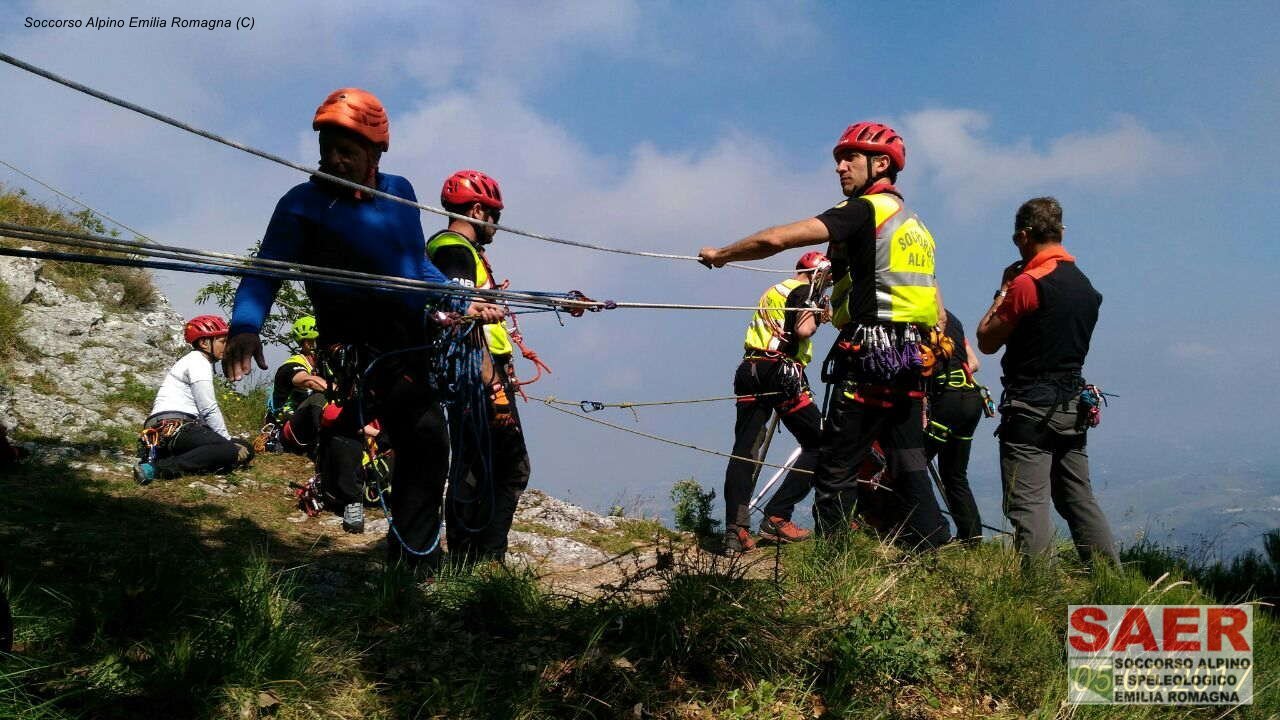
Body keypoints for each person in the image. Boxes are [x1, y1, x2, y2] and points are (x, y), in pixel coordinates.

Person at [223, 88, 503, 566]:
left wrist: (462, 300)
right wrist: (246, 325)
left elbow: (415, 266)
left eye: (347, 151)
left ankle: (413, 555)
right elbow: (266, 269)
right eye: (327, 149)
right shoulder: (302, 204)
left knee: (428, 445)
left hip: (410, 339)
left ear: (375, 153)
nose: (334, 159)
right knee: (423, 436)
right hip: (359, 347)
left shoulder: (399, 193)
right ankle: (414, 561)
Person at [699, 121, 950, 550]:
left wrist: (721, 255)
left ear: (881, 163)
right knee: (908, 459)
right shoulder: (916, 228)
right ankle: (932, 546)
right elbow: (937, 308)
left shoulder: (866, 211)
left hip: (869, 356)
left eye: (849, 158)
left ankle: (835, 569)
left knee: (835, 464)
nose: (840, 167)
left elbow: (776, 238)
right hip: (911, 360)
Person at [976, 196, 1119, 566]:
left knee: (1027, 503)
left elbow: (987, 340)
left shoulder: (1028, 284)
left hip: (1030, 406)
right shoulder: (1085, 286)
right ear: (1061, 232)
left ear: (1023, 236)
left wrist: (1003, 290)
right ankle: (1109, 579)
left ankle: (1039, 590)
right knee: (1078, 497)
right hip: (1073, 401)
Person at [426, 170, 532, 563]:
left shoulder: (449, 249)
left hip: (478, 373)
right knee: (508, 466)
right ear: (476, 210)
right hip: (478, 375)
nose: (496, 226)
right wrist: (493, 382)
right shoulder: (455, 251)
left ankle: (471, 556)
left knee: (476, 462)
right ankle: (484, 557)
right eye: (494, 216)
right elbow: (461, 322)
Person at [720, 251, 830, 553]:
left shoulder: (774, 289)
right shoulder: (807, 290)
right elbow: (803, 329)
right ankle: (778, 515)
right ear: (818, 274)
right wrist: (818, 313)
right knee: (820, 442)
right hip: (780, 371)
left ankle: (735, 530)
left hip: (750, 368)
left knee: (745, 449)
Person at [134, 315, 252, 484]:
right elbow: (208, 408)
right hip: (176, 426)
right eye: (222, 341)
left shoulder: (192, 361)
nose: (226, 346)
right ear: (204, 343)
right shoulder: (198, 361)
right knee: (228, 449)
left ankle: (172, 459)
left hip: (167, 428)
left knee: (244, 447)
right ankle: (156, 469)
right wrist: (227, 442)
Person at [924, 309, 985, 542]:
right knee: (954, 474)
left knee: (914, 467)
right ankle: (971, 538)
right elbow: (974, 363)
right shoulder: (954, 320)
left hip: (947, 401)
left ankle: (933, 530)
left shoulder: (920, 318)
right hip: (970, 399)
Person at [264, 315, 327, 456]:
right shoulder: (292, 365)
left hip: (302, 426)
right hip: (285, 430)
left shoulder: (322, 366)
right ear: (308, 343)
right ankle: (322, 450)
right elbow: (308, 381)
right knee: (319, 397)